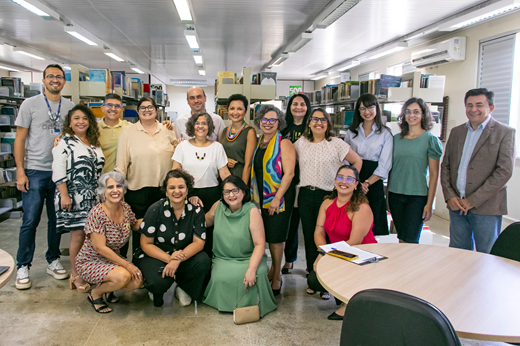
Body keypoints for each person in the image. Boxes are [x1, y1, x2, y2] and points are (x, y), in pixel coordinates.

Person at [14, 64, 75, 290]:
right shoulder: (29, 105)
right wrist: (20, 171)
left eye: (59, 77)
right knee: (30, 220)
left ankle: (52, 259)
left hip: (61, 172)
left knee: (56, 220)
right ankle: (23, 265)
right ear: (43, 80)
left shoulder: (69, 106)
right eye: (51, 76)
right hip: (35, 170)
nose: (55, 80)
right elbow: (20, 139)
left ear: (64, 81)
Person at [294, 108, 362, 297]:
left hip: (329, 197)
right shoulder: (301, 143)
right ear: (309, 123)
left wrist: (347, 183)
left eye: (323, 120)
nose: (319, 123)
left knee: (330, 236)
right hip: (306, 195)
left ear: (328, 123)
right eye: (315, 119)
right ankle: (313, 276)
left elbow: (357, 162)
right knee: (309, 236)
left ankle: (328, 280)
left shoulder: (336, 144)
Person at [441, 88, 515, 253]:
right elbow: (445, 165)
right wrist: (450, 196)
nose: (473, 109)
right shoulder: (457, 132)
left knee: (487, 255)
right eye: (469, 105)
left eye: (479, 105)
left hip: (486, 207)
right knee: (457, 252)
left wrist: (472, 200)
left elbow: (504, 171)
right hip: (456, 205)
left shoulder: (504, 132)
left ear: (491, 107)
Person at [307, 165, 376, 320]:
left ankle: (348, 302)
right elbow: (318, 231)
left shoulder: (361, 208)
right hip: (339, 253)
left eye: (349, 178)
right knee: (313, 279)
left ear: (356, 184)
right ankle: (343, 292)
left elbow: (354, 242)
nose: (344, 181)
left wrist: (326, 254)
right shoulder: (327, 203)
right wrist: (321, 252)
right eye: (340, 177)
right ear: (335, 180)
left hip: (360, 257)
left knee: (325, 273)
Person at [133, 169, 211, 307]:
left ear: (187, 189)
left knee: (203, 261)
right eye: (172, 187)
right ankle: (157, 291)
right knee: (157, 282)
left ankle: (184, 288)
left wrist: (177, 259)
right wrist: (170, 259)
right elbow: (146, 244)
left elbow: (199, 242)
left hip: (183, 254)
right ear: (166, 190)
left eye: (181, 187)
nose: (177, 191)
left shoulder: (196, 210)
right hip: (156, 255)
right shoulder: (155, 209)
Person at [203, 175, 277, 317]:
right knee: (221, 276)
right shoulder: (218, 206)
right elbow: (203, 222)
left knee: (258, 274)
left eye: (235, 190)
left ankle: (254, 306)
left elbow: (260, 244)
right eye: (227, 192)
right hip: (224, 259)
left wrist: (251, 269)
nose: (231, 195)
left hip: (249, 258)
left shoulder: (252, 211)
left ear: (243, 191)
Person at [52, 104, 105, 292]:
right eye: (76, 118)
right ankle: (75, 274)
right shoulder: (64, 142)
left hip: (92, 197)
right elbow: (58, 170)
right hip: (72, 196)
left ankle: (89, 271)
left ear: (90, 122)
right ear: (70, 122)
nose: (81, 122)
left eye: (84, 118)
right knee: (78, 236)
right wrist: (64, 195)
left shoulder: (94, 143)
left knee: (91, 237)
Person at [115, 96, 177, 256]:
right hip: (138, 191)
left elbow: (178, 149)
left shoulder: (167, 130)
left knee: (162, 229)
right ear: (137, 111)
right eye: (143, 107)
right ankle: (139, 264)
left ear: (157, 110)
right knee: (140, 230)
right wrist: (118, 192)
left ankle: (158, 265)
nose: (147, 110)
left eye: (150, 107)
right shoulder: (128, 133)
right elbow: (121, 164)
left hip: (163, 191)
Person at [76, 171, 143, 313]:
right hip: (91, 261)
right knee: (124, 276)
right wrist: (127, 265)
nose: (115, 190)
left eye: (118, 186)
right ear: (102, 191)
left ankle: (109, 287)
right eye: (110, 187)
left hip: (111, 260)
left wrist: (154, 217)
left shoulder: (125, 208)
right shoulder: (97, 213)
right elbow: (100, 248)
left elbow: (134, 224)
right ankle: (96, 294)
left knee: (137, 281)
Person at [251, 104, 295, 296]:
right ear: (259, 121)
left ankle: (277, 275)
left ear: (279, 122)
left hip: (277, 197)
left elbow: (289, 173)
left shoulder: (284, 143)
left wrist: (277, 198)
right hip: (259, 197)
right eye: (265, 119)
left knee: (276, 239)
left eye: (273, 120)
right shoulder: (260, 141)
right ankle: (271, 270)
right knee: (265, 237)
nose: (268, 123)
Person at [172, 112, 231, 257]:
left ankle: (209, 272)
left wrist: (237, 190)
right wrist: (184, 195)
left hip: (212, 196)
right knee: (186, 235)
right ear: (192, 126)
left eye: (204, 123)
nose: (200, 126)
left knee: (209, 236)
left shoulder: (217, 147)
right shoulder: (182, 147)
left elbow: (224, 174)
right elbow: (175, 173)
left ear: (209, 126)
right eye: (197, 123)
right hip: (186, 195)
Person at [388, 98, 442, 244]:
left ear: (423, 114)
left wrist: (429, 204)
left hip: (417, 197)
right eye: (408, 112)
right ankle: (401, 266)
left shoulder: (430, 140)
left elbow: (434, 174)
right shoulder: (395, 139)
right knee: (401, 237)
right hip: (395, 194)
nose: (412, 115)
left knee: (411, 240)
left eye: (416, 112)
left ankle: (410, 266)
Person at [344, 94, 393, 236]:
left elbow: (385, 164)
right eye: (362, 108)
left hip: (374, 181)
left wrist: (366, 183)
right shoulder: (351, 132)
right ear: (358, 111)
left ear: (377, 108)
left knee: (375, 224)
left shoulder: (385, 133)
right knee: (352, 224)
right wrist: (356, 182)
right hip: (353, 180)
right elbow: (345, 159)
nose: (367, 112)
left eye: (370, 107)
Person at [280, 93, 311, 274]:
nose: (298, 107)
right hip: (288, 180)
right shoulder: (284, 128)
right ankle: (289, 259)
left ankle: (311, 261)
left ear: (307, 107)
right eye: (295, 104)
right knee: (291, 223)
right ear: (289, 107)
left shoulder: (313, 127)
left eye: (302, 104)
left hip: (307, 180)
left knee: (308, 224)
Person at [219, 94, 257, 184]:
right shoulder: (224, 131)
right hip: (224, 176)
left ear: (245, 111)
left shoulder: (250, 132)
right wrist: (225, 161)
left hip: (241, 176)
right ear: (227, 110)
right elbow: (218, 156)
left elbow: (248, 165)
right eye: (232, 108)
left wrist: (242, 187)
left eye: (239, 109)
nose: (235, 112)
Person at [97, 93, 130, 173]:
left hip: (124, 180)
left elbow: (150, 129)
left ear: (122, 110)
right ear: (102, 108)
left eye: (117, 106)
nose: (113, 108)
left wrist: (165, 125)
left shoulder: (129, 127)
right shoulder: (93, 128)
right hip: (102, 180)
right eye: (109, 105)